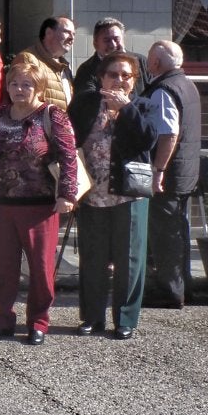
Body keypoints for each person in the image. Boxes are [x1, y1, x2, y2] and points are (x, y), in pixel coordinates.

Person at [0, 57, 78, 345]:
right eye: (14, 83)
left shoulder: (51, 115)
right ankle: (3, 318)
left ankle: (38, 321)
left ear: (39, 88)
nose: (19, 89)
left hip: (39, 207)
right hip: (2, 204)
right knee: (3, 267)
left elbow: (68, 157)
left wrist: (67, 194)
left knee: (39, 267)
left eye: (27, 84)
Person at [68, 52, 155, 338]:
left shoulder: (142, 105)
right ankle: (92, 317)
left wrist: (127, 109)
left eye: (125, 76)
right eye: (113, 75)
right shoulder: (85, 104)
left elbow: (148, 140)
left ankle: (125, 319)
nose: (119, 81)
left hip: (128, 194)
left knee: (128, 258)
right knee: (92, 258)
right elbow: (68, 140)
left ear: (134, 80)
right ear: (101, 77)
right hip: (92, 194)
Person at [142, 40, 201, 309]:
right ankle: (183, 287)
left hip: (170, 173)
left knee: (165, 235)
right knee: (179, 232)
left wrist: (158, 171)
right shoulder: (187, 84)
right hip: (186, 172)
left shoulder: (163, 90)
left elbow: (168, 134)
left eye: (149, 59)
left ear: (155, 63)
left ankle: (169, 292)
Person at [73, 17, 148, 97]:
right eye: (107, 40)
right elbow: (86, 101)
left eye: (116, 39)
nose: (113, 45)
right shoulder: (86, 70)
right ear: (95, 44)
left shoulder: (141, 62)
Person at [29, 16, 76, 110]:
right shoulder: (29, 60)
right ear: (49, 33)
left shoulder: (65, 66)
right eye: (66, 32)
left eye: (74, 34)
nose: (72, 38)